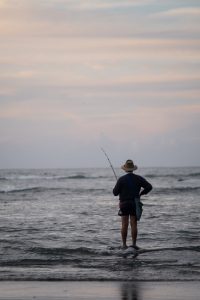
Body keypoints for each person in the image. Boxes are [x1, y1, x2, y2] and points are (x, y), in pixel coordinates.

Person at [113, 159, 152, 249]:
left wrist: (118, 188)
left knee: (124, 224)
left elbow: (115, 193)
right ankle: (134, 244)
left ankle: (124, 245)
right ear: (133, 169)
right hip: (134, 203)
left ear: (125, 169)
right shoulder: (138, 178)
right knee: (134, 224)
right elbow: (149, 187)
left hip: (124, 204)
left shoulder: (121, 179)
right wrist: (141, 193)